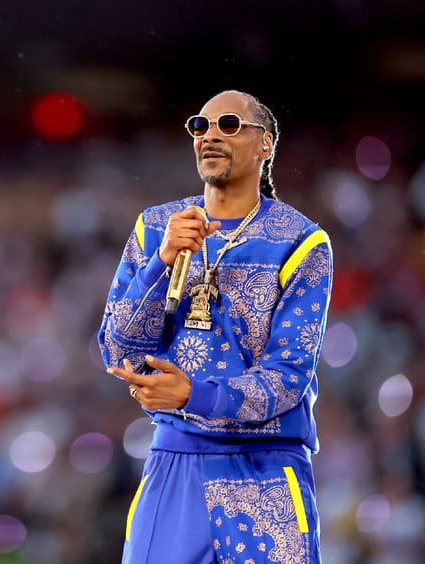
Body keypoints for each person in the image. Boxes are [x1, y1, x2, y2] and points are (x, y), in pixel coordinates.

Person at [98, 90, 332, 563]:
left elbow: (288, 378)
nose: (210, 136)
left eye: (229, 125)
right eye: (200, 126)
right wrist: (161, 261)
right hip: (173, 464)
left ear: (265, 143)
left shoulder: (301, 243)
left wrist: (193, 395)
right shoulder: (155, 228)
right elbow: (117, 351)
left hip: (265, 471)